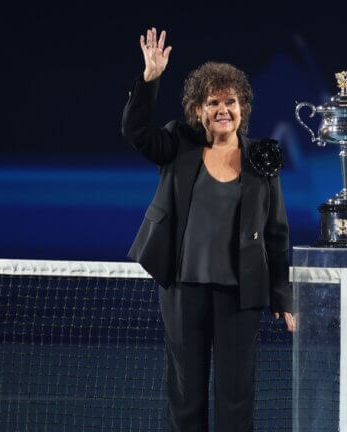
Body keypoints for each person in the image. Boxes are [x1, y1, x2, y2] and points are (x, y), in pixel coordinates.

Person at [121, 28, 295, 431]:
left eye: (230, 101)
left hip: (240, 295)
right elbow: (135, 133)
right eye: (212, 102)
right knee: (186, 395)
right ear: (198, 110)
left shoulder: (262, 159)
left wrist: (282, 295)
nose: (222, 109)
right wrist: (149, 80)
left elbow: (276, 232)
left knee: (236, 397)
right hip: (184, 291)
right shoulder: (177, 144)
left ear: (243, 107)